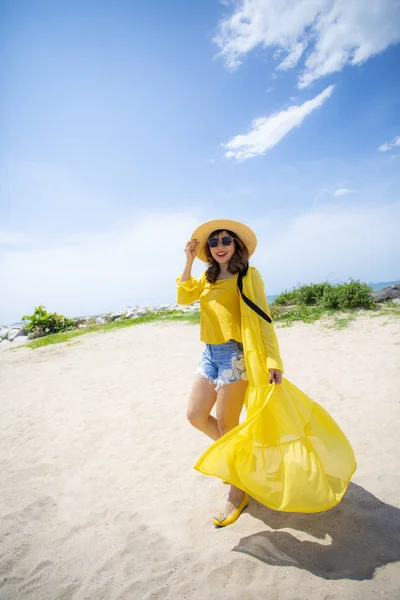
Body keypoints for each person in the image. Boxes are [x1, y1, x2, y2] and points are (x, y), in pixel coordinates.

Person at [176, 219, 284, 527]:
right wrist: (187, 261)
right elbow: (183, 296)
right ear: (208, 250)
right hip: (209, 354)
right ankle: (239, 462)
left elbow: (264, 318)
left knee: (227, 424)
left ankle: (238, 493)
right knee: (195, 415)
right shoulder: (207, 276)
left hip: (236, 355)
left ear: (236, 245)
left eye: (226, 240)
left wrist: (273, 360)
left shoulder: (248, 275)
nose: (220, 246)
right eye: (214, 242)